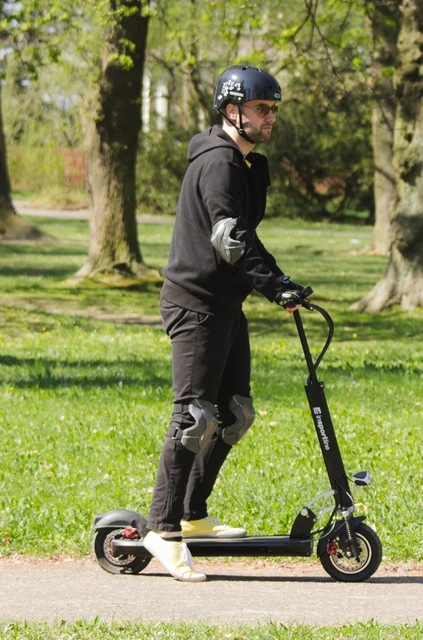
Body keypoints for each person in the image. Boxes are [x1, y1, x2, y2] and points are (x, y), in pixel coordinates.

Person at [143, 65, 307, 582]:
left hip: (225, 306)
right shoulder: (219, 163)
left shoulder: (247, 163)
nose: (271, 117)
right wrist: (272, 285)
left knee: (235, 414)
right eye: (263, 108)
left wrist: (279, 280)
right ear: (233, 110)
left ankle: (193, 514)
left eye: (275, 109)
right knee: (194, 418)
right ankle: (162, 530)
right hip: (195, 304)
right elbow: (229, 238)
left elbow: (247, 240)